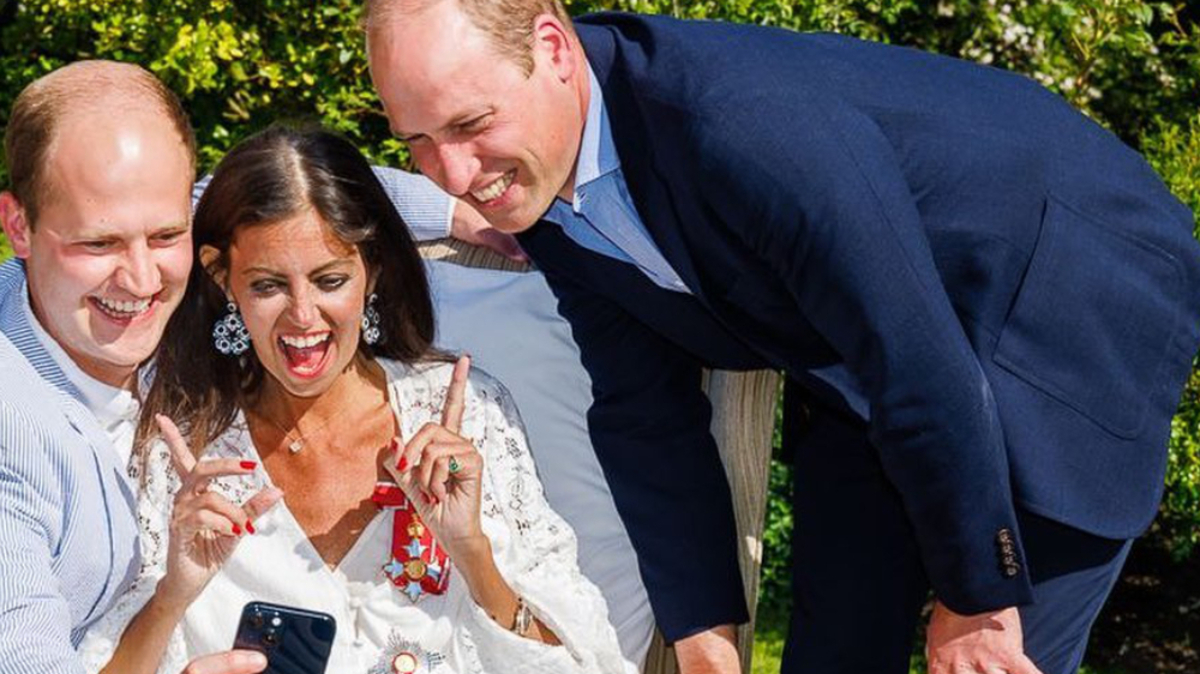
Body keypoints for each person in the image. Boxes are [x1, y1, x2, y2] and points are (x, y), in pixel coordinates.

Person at [362, 2, 1200, 674]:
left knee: (994, 653)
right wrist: (704, 639)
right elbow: (642, 410)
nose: (456, 175)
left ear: (552, 47)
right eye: (419, 142)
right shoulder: (540, 185)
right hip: (872, 370)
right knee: (836, 644)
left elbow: (916, 362)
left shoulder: (736, 123)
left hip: (1068, 300)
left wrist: (977, 600)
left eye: (471, 124)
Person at [81, 125, 630, 674]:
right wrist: (172, 596)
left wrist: (474, 555)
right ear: (222, 278)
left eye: (329, 280)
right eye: (268, 285)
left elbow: (590, 667)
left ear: (373, 272)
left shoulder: (469, 414)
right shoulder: (177, 452)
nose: (303, 316)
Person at [0, 60, 470, 674]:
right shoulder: (14, 428)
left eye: (165, 236)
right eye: (99, 244)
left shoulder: (129, 262)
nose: (141, 281)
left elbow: (287, 186)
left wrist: (466, 212)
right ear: (18, 227)